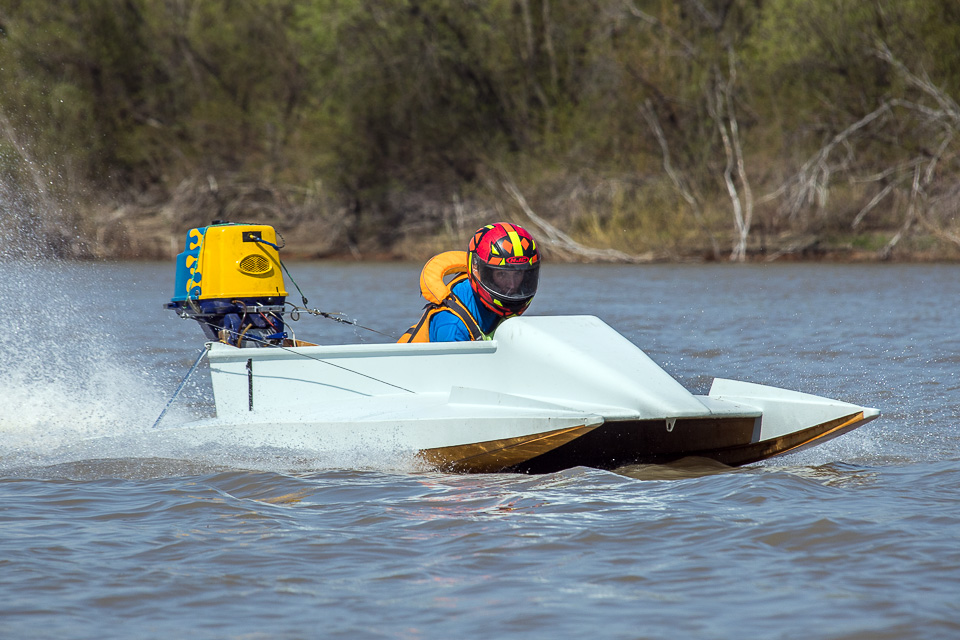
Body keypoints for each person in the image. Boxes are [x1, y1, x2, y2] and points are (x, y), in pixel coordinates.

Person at [398, 222, 541, 342]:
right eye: (502, 274)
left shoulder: (493, 296)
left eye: (518, 273)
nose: (512, 285)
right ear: (478, 270)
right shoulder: (453, 325)